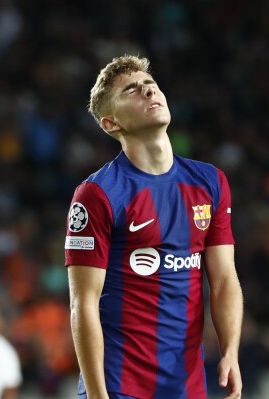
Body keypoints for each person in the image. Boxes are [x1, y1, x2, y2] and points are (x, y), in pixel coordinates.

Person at [65, 55, 243, 399]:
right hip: (120, 387)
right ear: (110, 124)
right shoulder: (98, 194)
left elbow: (223, 280)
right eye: (132, 90)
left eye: (150, 84)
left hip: (187, 388)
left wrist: (230, 351)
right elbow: (83, 303)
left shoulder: (210, 183)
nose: (148, 92)